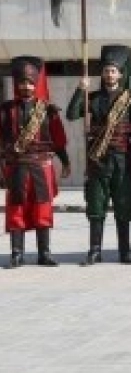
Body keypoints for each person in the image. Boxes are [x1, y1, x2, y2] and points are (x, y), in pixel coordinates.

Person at [66, 44, 131, 265]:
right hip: (98, 160)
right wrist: (79, 90)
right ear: (102, 74)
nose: (109, 74)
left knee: (123, 206)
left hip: (123, 159)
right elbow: (72, 114)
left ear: (121, 74)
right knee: (96, 206)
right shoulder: (92, 98)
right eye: (106, 70)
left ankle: (125, 251)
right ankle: (95, 251)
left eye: (113, 70)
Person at [1, 56, 70, 268]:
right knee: (16, 209)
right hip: (16, 166)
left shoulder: (47, 110)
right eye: (22, 82)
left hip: (41, 166)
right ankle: (16, 253)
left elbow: (58, 141)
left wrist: (65, 162)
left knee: (42, 208)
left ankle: (44, 253)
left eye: (30, 82)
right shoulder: (5, 110)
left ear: (35, 84)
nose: (26, 86)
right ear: (16, 84)